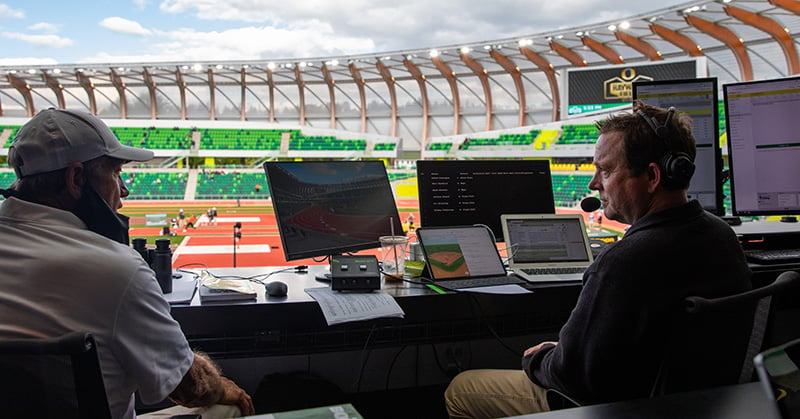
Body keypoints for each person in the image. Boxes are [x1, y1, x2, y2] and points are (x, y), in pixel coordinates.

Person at [444, 101, 753, 418]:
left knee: (462, 388)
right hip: (702, 404)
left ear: (652, 176)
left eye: (605, 170)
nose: (594, 183)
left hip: (622, 406)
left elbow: (572, 377)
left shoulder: (626, 261)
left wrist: (540, 358)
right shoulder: (722, 236)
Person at [0, 109, 254, 419]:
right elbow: (191, 388)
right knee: (227, 407)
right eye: (116, 173)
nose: (124, 191)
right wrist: (230, 389)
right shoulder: (118, 270)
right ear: (76, 178)